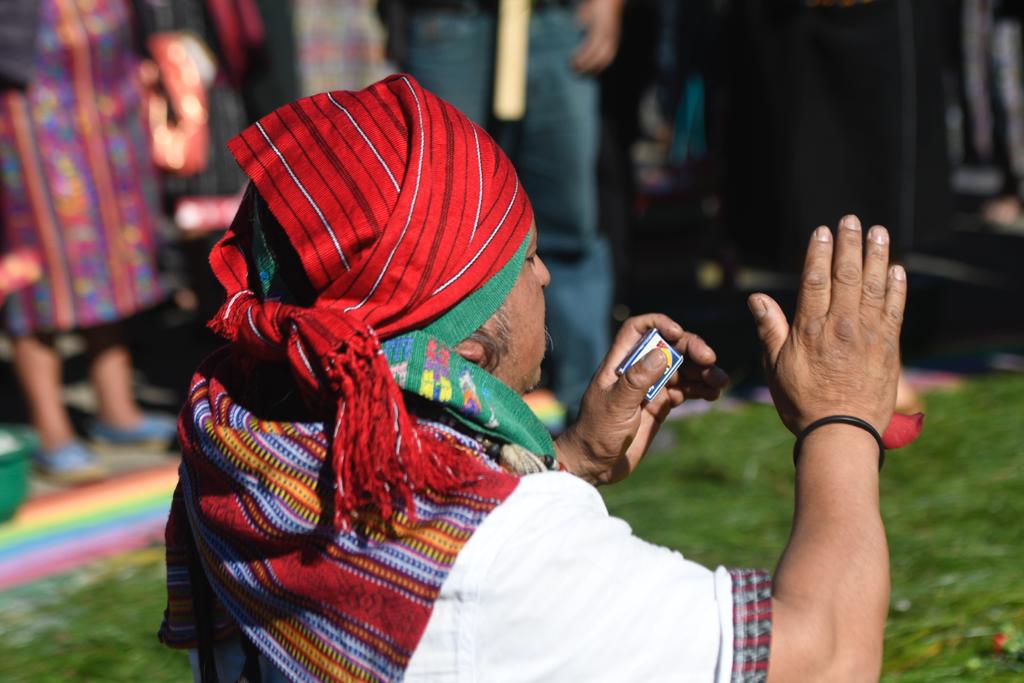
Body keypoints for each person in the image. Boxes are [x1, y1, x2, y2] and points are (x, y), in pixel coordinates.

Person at [159, 75, 906, 682]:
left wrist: (567, 460)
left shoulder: (242, 433)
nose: (545, 273)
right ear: (471, 347)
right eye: (523, 257)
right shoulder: (495, 562)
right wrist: (839, 417)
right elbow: (822, 659)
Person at [387, 0, 623, 421]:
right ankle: (439, 407)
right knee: (443, 219)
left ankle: (592, 406)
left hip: (556, 19)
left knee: (569, 221)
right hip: (450, 17)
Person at [0, 0, 176, 481]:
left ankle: (116, 411)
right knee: (42, 262)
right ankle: (52, 429)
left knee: (113, 255)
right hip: (29, 102)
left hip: (108, 95)